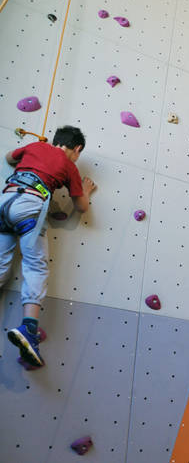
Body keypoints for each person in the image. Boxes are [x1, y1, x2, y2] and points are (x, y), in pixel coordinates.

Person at [3, 126, 96, 367]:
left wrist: (34, 152)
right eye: (78, 154)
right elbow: (81, 207)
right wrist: (85, 190)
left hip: (5, 199)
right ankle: (29, 329)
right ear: (77, 149)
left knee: (1, 265)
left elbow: (9, 157)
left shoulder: (35, 146)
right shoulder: (69, 165)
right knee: (36, 266)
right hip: (30, 204)